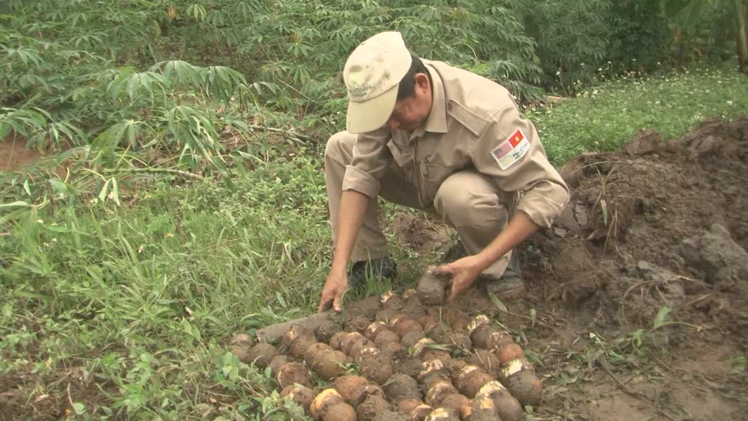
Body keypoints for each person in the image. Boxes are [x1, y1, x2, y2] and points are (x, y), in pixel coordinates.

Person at [317, 31, 569, 313]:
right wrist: (338, 266)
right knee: (340, 148)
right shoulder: (387, 94)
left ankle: (499, 265)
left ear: (422, 85)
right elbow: (361, 172)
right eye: (384, 120)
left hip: (477, 199)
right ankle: (373, 262)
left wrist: (481, 260)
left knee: (460, 195)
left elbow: (549, 189)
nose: (392, 126)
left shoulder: (486, 114)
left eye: (397, 115)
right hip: (420, 178)